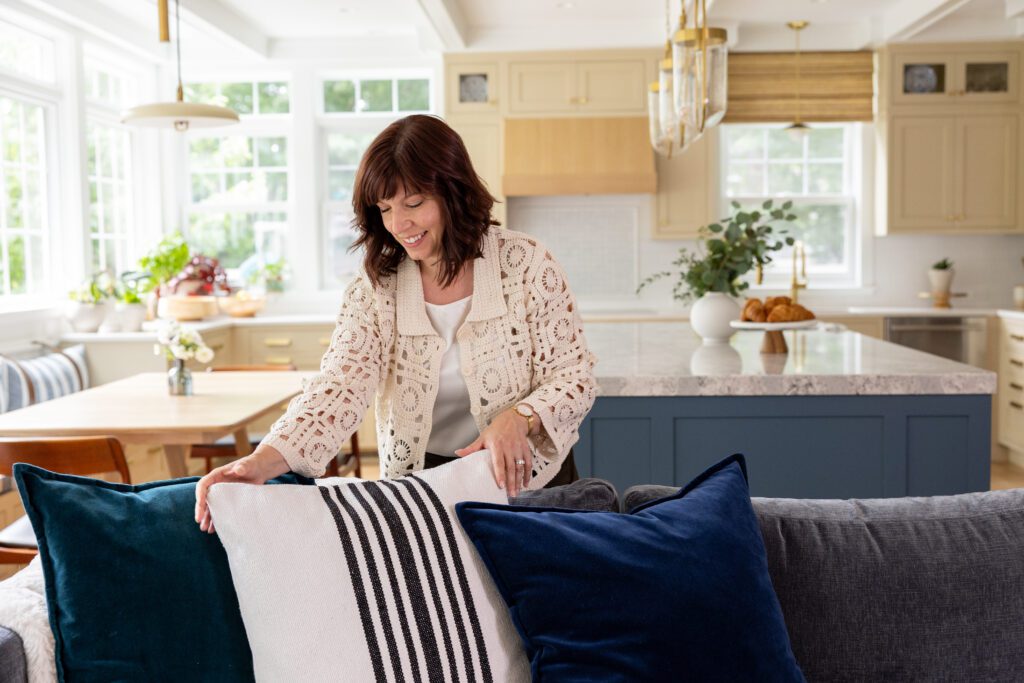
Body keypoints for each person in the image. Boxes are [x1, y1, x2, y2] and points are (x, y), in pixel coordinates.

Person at [195, 114, 596, 533]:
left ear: (453, 191)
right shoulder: (375, 290)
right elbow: (338, 391)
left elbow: (574, 375)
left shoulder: (528, 263)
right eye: (385, 208)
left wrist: (520, 416)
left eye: (414, 203)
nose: (398, 225)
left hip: (529, 477)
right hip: (423, 486)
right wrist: (259, 461)